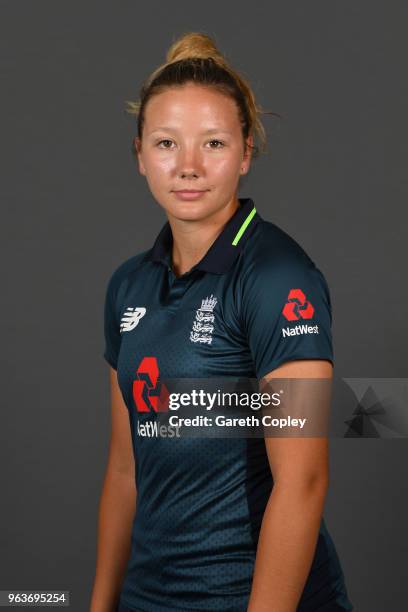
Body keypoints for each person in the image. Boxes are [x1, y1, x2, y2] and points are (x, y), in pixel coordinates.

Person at [90, 31, 354, 612]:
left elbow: (302, 481)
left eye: (212, 142)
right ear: (139, 153)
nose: (188, 166)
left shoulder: (278, 276)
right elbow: (125, 467)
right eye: (166, 143)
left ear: (245, 152)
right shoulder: (128, 286)